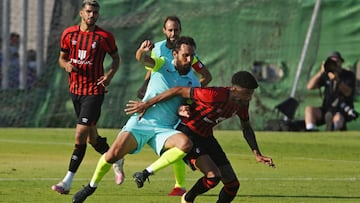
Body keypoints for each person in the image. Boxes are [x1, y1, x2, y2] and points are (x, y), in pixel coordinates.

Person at [72, 36, 200, 203]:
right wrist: (141, 51)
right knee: (112, 156)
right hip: (142, 121)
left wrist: (185, 109)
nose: (189, 59)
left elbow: (190, 106)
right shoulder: (162, 64)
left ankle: (146, 172)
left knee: (185, 144)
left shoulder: (194, 81)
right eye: (186, 55)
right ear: (175, 54)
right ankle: (90, 187)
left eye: (192, 55)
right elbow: (141, 59)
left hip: (165, 129)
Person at [125, 70, 275, 203]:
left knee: (232, 185)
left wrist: (257, 153)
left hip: (207, 137)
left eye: (251, 94)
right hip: (188, 132)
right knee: (213, 177)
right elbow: (178, 90)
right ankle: (188, 199)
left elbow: (246, 127)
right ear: (235, 89)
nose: (249, 98)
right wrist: (147, 104)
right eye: (247, 93)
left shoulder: (241, 104)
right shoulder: (213, 95)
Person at [51, 0, 123, 195]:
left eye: (95, 12)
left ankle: (67, 181)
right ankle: (115, 158)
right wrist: (65, 65)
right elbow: (62, 57)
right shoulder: (69, 34)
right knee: (92, 139)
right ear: (81, 13)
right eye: (89, 11)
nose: (92, 15)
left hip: (94, 91)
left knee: (80, 134)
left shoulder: (104, 36)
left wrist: (109, 76)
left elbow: (116, 59)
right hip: (75, 91)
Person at [137, 15, 212, 196]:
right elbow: (152, 70)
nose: (173, 33)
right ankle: (180, 184)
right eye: (170, 30)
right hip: (157, 101)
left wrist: (189, 94)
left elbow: (207, 76)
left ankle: (180, 185)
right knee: (169, 144)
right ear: (164, 31)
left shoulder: (188, 53)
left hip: (177, 105)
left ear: (180, 30)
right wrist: (144, 88)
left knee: (176, 143)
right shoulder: (157, 48)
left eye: (176, 30)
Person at [305, 51, 357, 131]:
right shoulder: (326, 75)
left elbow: (348, 93)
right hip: (327, 108)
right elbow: (310, 86)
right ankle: (311, 130)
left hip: (342, 109)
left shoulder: (348, 75)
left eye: (336, 62)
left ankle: (332, 130)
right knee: (309, 110)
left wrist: (337, 80)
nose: (334, 64)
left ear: (341, 63)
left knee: (338, 118)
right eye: (331, 62)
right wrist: (321, 72)